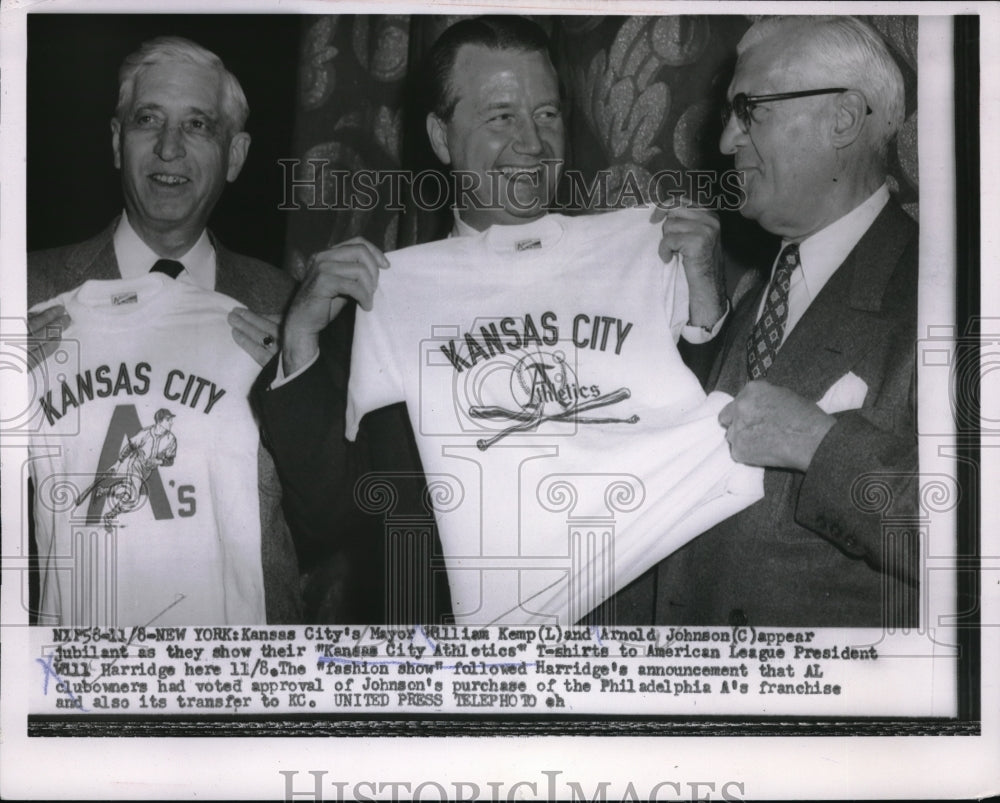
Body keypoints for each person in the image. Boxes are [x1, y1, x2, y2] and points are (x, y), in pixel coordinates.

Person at [254, 16, 731, 623]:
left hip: (629, 635)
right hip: (464, 659)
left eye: (548, 114)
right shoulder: (381, 297)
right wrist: (300, 336)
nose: (532, 143)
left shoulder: (653, 256)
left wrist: (704, 295)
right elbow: (325, 519)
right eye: (501, 116)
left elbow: (717, 442)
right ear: (442, 136)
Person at [636, 16, 919, 627]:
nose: (725, 141)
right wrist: (706, 312)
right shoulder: (759, 291)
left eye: (751, 108)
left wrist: (821, 445)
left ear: (843, 117)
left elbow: (981, 538)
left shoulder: (951, 294)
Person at [27, 36, 300, 623]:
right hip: (77, 678)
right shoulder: (22, 294)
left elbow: (334, 521)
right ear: (117, 142)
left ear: (234, 154)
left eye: (198, 125)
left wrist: (300, 392)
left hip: (240, 682)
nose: (169, 148)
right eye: (148, 120)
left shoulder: (285, 305)